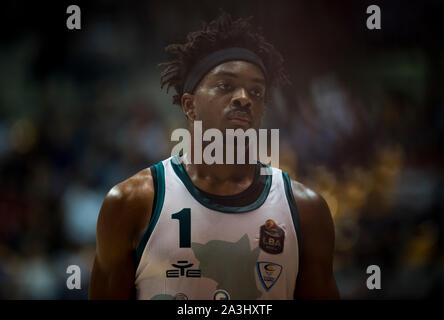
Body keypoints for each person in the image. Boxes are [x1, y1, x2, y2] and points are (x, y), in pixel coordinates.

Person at [88, 11, 339, 300]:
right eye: (226, 85)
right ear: (190, 106)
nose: (244, 97)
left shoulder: (307, 211)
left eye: (256, 91)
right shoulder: (131, 203)